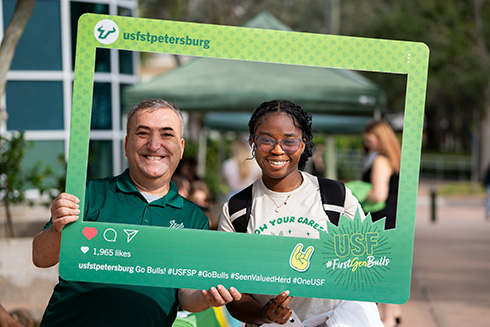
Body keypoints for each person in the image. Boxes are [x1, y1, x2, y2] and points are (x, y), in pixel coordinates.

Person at [32, 99, 241, 327]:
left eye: (166, 135)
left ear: (180, 148)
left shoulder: (193, 218)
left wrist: (206, 297)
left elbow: (186, 294)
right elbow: (41, 257)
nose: (153, 145)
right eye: (143, 133)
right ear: (126, 144)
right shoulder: (90, 193)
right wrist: (61, 227)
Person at [218, 99, 383, 327]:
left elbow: (367, 265)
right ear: (252, 142)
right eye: (266, 140)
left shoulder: (336, 197)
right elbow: (234, 295)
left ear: (303, 144)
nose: (277, 149)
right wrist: (264, 314)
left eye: (289, 141)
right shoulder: (236, 210)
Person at [361, 120, 401, 327]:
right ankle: (392, 314)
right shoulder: (395, 159)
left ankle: (387, 319)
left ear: (380, 138)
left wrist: (354, 190)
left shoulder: (380, 161)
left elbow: (378, 194)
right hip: (393, 219)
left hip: (379, 221)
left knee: (378, 271)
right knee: (388, 269)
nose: (367, 144)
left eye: (369, 140)